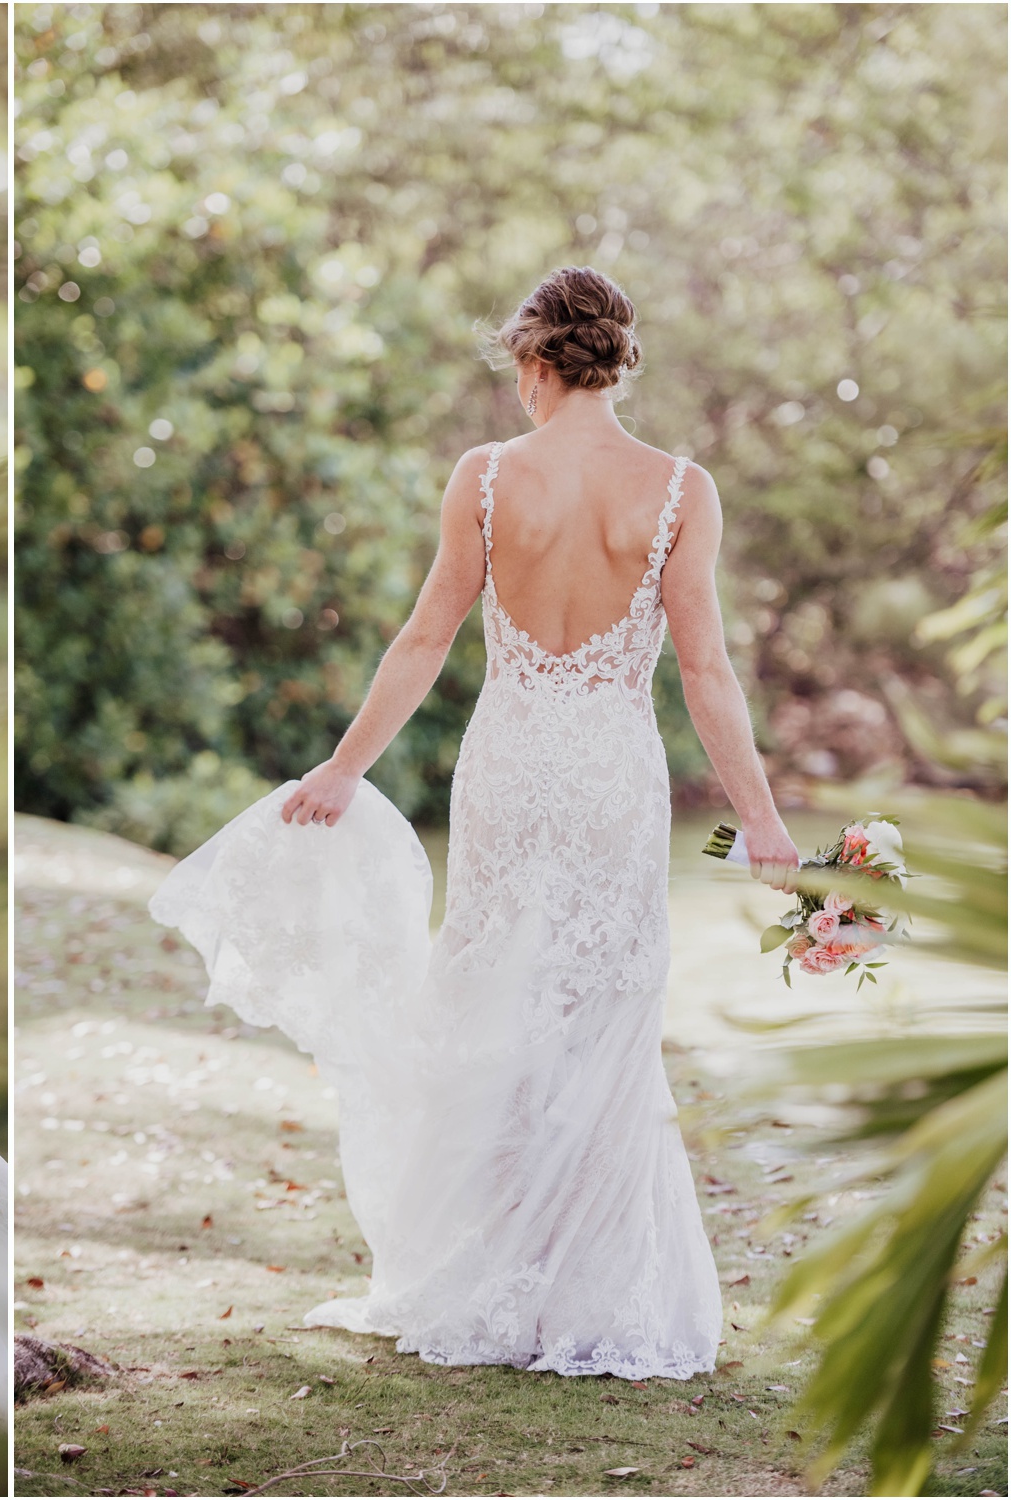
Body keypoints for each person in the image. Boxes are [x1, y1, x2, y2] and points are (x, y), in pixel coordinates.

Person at [151, 265, 800, 1380]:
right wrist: (767, 827)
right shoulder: (680, 488)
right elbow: (704, 671)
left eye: (513, 369)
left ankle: (493, 1269)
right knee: (602, 1002)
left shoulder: (487, 478)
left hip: (505, 766)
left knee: (494, 992)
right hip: (606, 769)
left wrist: (344, 769)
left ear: (533, 360)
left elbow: (424, 637)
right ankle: (590, 1286)